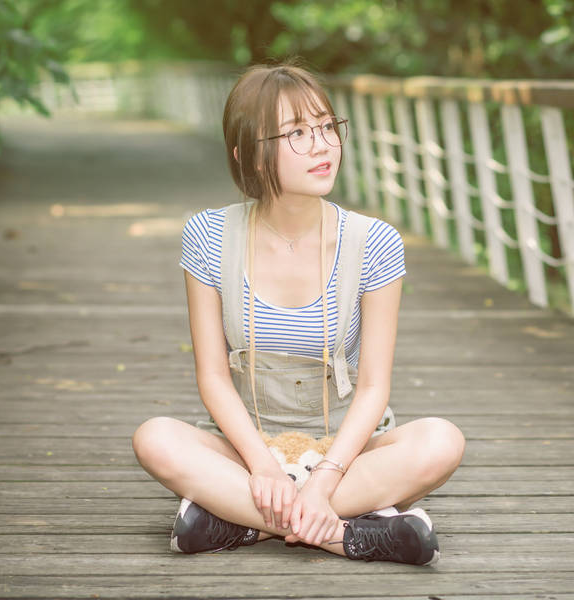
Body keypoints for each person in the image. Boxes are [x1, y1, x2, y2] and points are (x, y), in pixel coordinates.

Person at [131, 61, 465, 566]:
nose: (323, 145)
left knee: (441, 441)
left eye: (327, 127)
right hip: (247, 449)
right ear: (248, 155)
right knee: (154, 437)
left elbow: (374, 387)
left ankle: (240, 524)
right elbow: (214, 379)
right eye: (297, 133)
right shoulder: (209, 237)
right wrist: (264, 468)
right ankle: (349, 534)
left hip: (349, 453)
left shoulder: (373, 242)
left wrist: (325, 476)